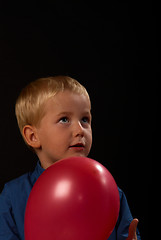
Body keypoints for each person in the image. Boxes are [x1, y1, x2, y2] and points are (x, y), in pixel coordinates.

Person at [0, 76, 141, 240]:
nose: (79, 130)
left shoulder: (111, 194)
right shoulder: (12, 197)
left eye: (85, 119)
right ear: (32, 136)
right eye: (64, 119)